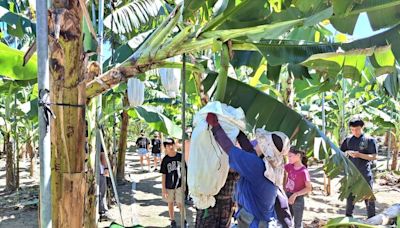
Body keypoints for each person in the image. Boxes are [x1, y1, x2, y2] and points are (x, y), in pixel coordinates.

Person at [206, 113, 290, 227]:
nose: (259, 142)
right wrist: (239, 133)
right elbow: (250, 151)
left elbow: (230, 149)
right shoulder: (271, 167)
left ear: (266, 147)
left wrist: (215, 126)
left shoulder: (256, 166)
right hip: (263, 221)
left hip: (253, 223)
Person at [340, 117, 377, 218]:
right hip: (351, 174)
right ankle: (348, 217)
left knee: (368, 197)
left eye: (357, 129)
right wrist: (347, 153)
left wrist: (359, 155)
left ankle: (371, 218)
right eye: (352, 129)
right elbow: (341, 153)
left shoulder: (369, 140)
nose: (355, 131)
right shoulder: (347, 140)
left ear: (362, 127)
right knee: (349, 197)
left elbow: (373, 156)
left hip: (365, 173)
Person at [160, 138, 186, 228]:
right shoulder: (165, 160)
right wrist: (163, 189)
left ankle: (184, 220)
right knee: (170, 202)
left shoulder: (181, 156)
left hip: (179, 184)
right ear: (165, 147)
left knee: (180, 203)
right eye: (168, 145)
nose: (170, 147)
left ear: (175, 145)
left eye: (172, 144)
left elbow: (186, 170)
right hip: (168, 185)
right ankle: (172, 220)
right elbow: (163, 175)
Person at [284, 148, 312, 228]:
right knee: (286, 220)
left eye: (290, 156)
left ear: (298, 156)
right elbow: (279, 168)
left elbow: (309, 188)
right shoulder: (289, 166)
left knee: (297, 223)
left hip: (298, 198)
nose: (288, 158)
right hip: (288, 195)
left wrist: (296, 194)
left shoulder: (304, 172)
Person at [99, 147, 110, 220]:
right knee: (101, 193)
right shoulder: (98, 139)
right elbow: (102, 155)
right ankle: (102, 212)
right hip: (98, 172)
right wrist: (106, 168)